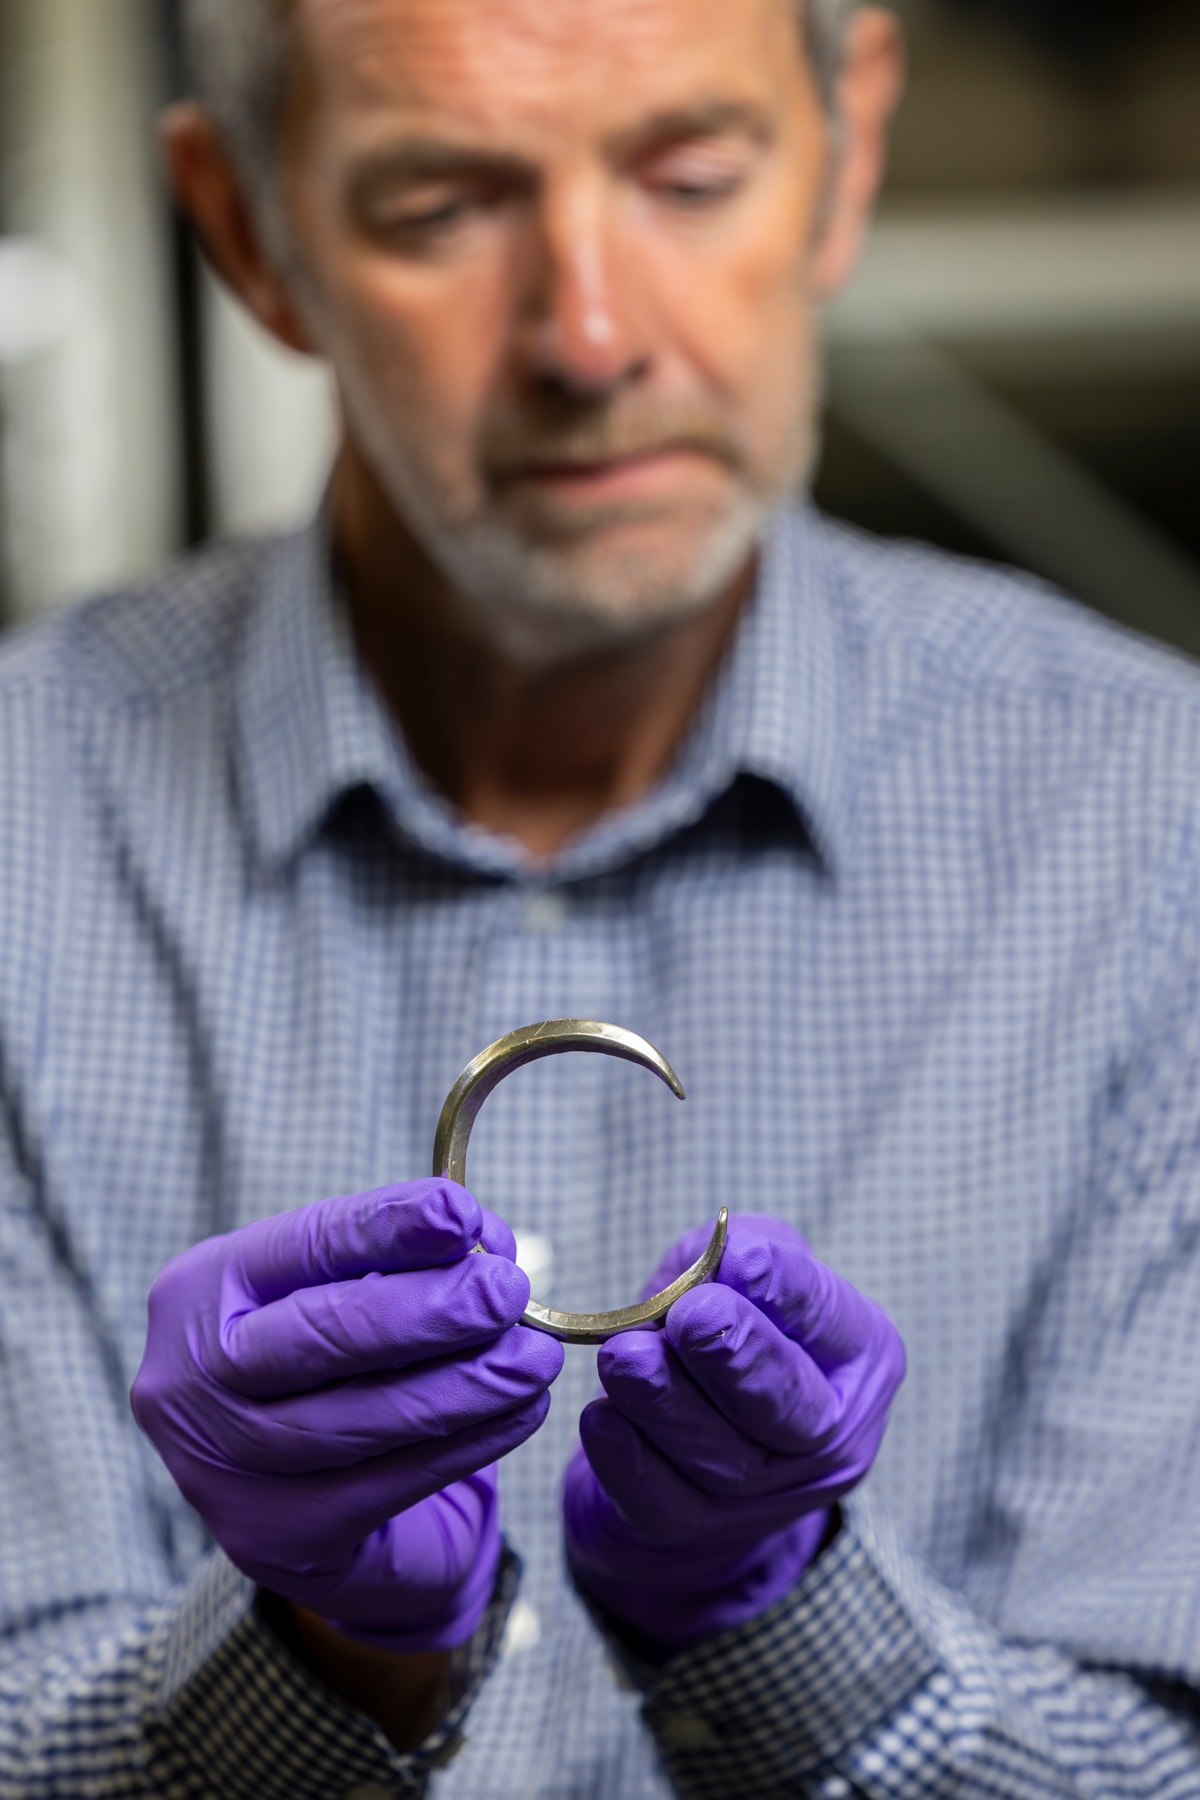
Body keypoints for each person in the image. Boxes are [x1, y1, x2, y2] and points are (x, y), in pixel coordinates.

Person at [1, 0, 1199, 1793]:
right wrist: (321, 1658)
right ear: (249, 230)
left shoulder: (1160, 836)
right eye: (442, 206)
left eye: (691, 177)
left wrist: (782, 1631)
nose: (589, 334)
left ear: (848, 149)